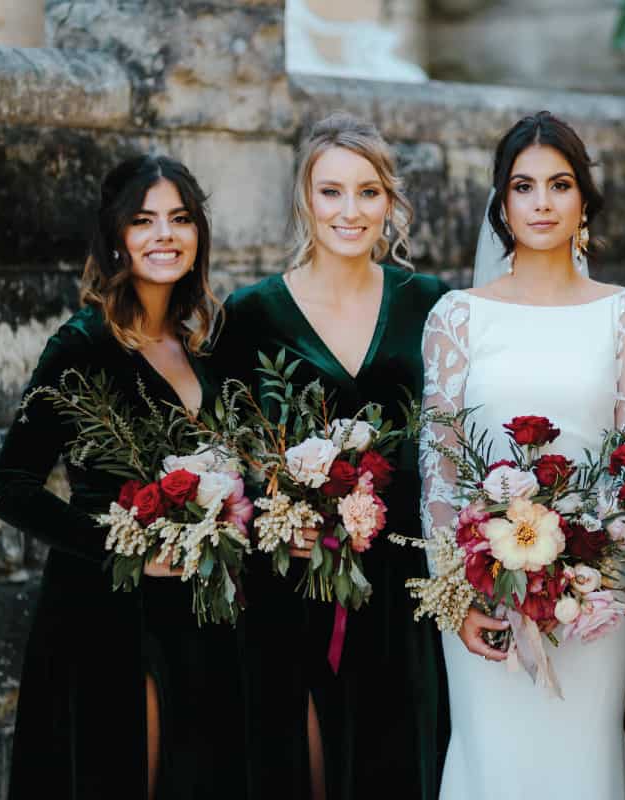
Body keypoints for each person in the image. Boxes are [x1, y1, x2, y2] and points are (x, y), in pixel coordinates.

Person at [419, 110, 625, 800]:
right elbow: (438, 466)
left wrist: (586, 567)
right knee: (493, 763)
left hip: (596, 600)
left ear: (583, 199)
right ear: (502, 203)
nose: (543, 202)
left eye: (560, 184)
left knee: (581, 766)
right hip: (484, 596)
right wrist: (456, 596)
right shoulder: (457, 316)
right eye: (524, 187)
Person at [0, 155, 246, 799]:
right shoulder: (82, 346)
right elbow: (11, 485)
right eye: (144, 220)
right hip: (108, 616)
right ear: (116, 238)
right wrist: (120, 544)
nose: (165, 234)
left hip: (197, 614)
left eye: (180, 219)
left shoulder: (203, 347)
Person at [211, 112, 450, 800]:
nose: (351, 211)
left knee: (400, 761)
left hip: (404, 573)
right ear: (305, 201)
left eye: (368, 192)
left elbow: (451, 435)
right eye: (332, 192)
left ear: (390, 203)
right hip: (293, 572)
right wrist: (276, 510)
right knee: (298, 762)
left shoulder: (430, 303)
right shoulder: (251, 312)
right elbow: (229, 450)